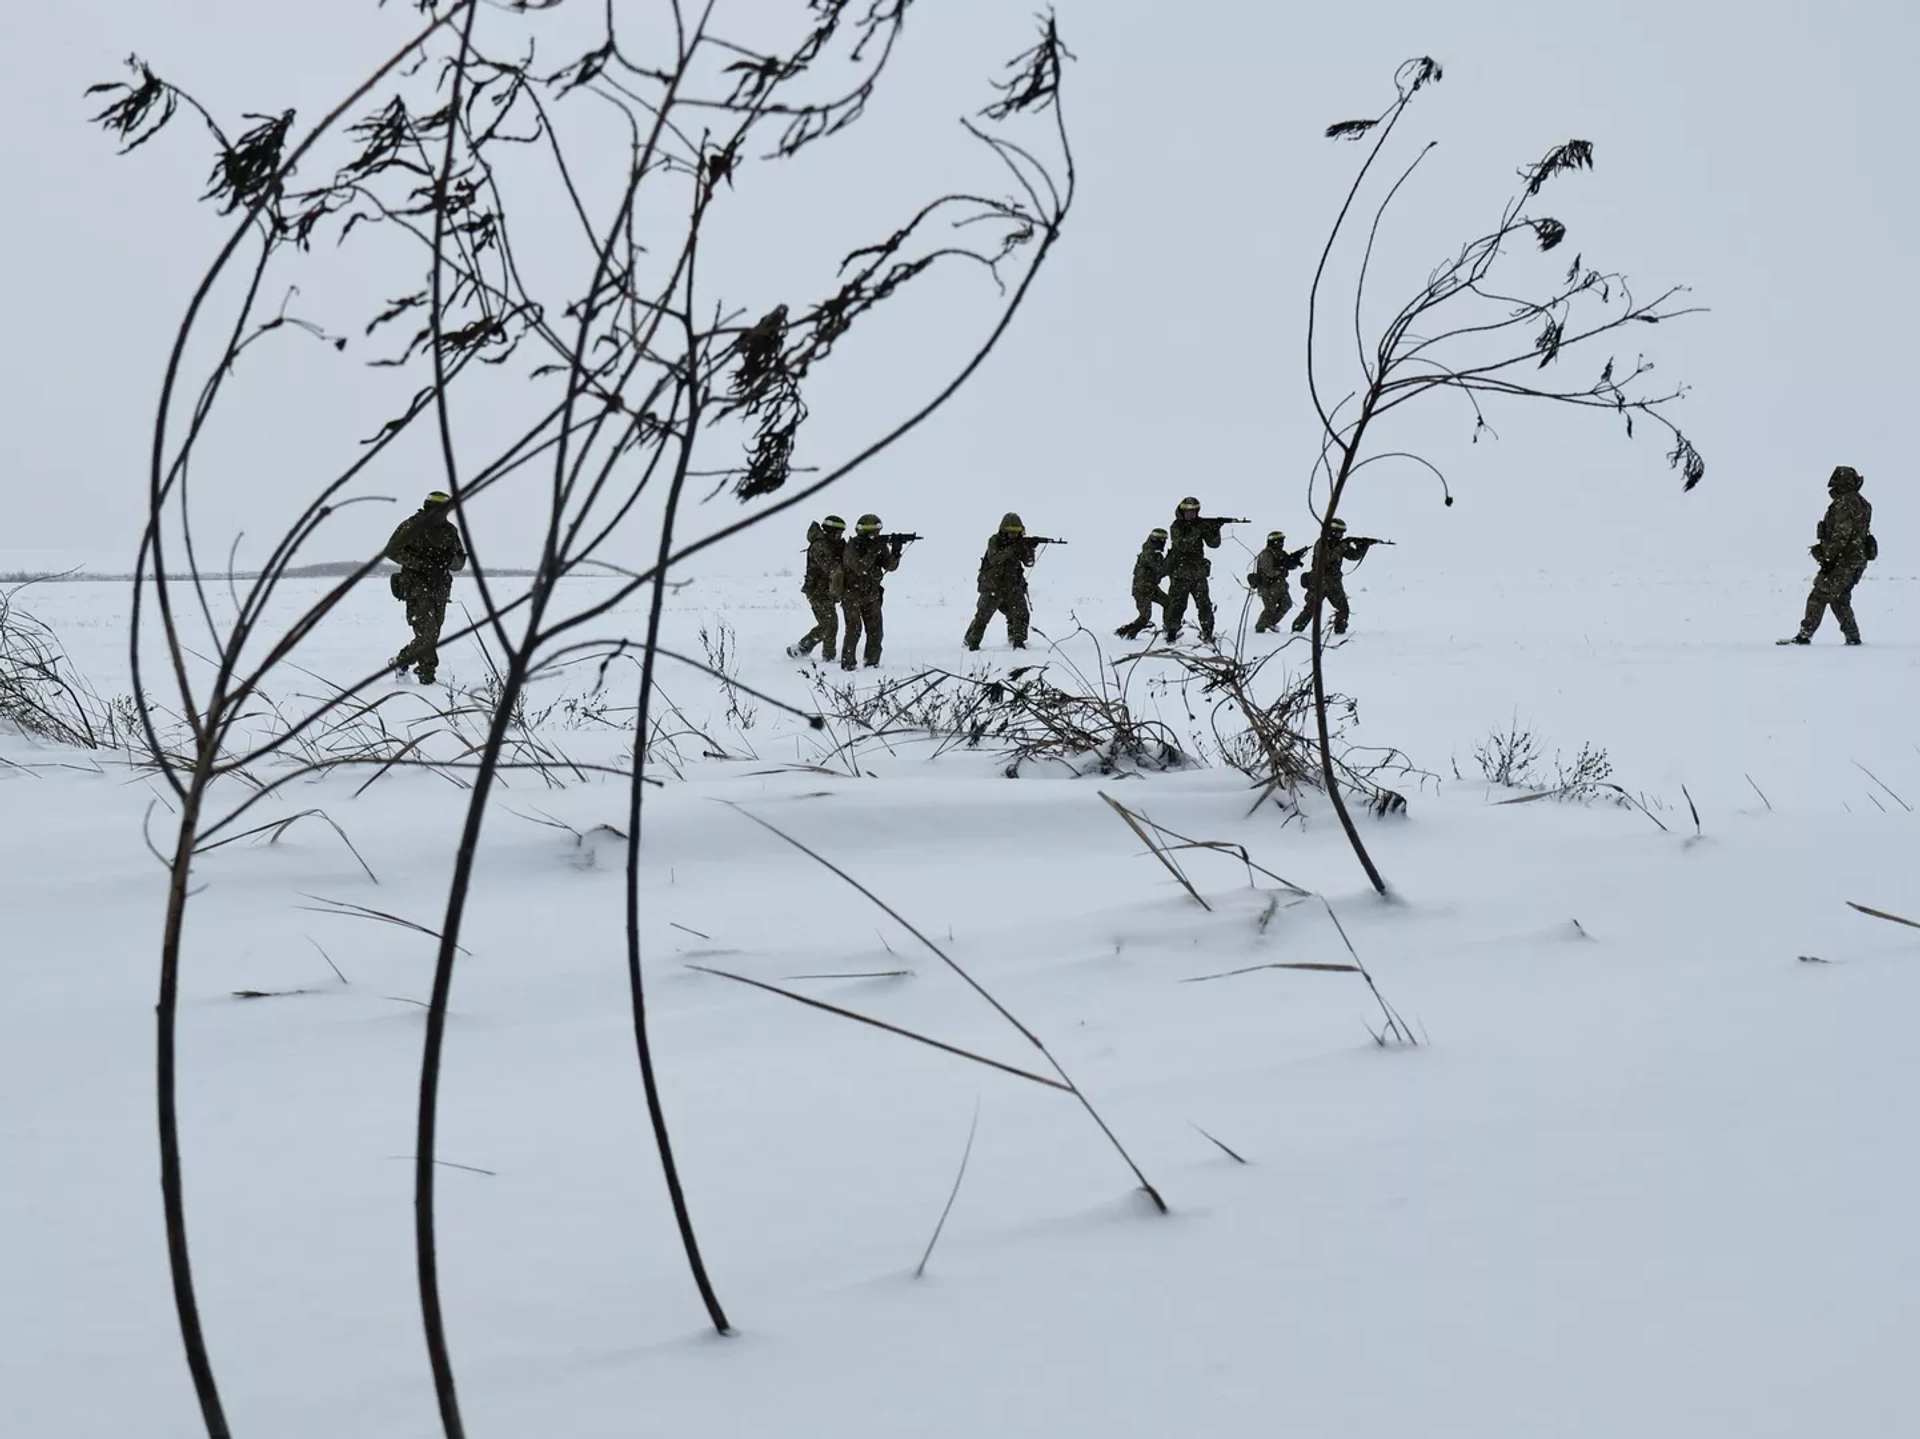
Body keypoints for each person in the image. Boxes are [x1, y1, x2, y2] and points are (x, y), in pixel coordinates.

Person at [1783, 465, 1875, 646]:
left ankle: (1804, 635)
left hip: (1843, 561)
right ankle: (1853, 637)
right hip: (1856, 560)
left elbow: (1842, 534)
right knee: (1840, 599)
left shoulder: (1844, 503)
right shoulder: (1863, 503)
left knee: (1818, 595)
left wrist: (1828, 558)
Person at [385, 490, 467, 683]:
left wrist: (448, 560)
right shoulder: (412, 526)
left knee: (433, 634)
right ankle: (426, 675)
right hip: (417, 587)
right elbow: (392, 550)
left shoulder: (450, 531)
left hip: (440, 588)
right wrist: (422, 564)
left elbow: (459, 562)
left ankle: (405, 663)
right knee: (428, 635)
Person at [1288, 519, 1384, 637]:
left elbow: (1353, 556)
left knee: (1343, 609)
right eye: (1339, 533)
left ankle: (1339, 633)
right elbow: (1327, 558)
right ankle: (1296, 631)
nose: (1341, 535)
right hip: (1319, 581)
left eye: (1342, 533)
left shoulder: (1339, 544)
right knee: (1311, 609)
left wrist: (1362, 546)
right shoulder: (1321, 543)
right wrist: (1343, 545)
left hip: (1334, 583)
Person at [838, 513, 904, 670]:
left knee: (876, 631)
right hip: (851, 596)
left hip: (871, 596)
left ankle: (872, 663)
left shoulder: (879, 546)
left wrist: (895, 552)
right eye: (875, 532)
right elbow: (859, 567)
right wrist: (874, 551)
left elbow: (890, 567)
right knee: (854, 630)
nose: (878, 534)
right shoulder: (852, 546)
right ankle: (848, 664)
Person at [964, 512, 1036, 651]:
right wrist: (1013, 548)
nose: (1013, 535)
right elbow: (995, 559)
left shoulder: (1020, 543)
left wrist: (1029, 549)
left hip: (1012, 584)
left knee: (1020, 613)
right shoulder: (995, 541)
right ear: (1003, 530)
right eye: (1010, 531)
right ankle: (972, 642)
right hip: (993, 585)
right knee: (983, 616)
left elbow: (1028, 563)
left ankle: (1017, 641)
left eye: (1016, 532)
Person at [1164, 497, 1228, 644]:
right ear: (1182, 511)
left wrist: (1215, 529)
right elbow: (1182, 545)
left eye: (1193, 511)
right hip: (1180, 574)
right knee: (1177, 605)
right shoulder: (1176, 526)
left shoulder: (1199, 525)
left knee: (1204, 605)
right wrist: (1199, 529)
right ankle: (1171, 633)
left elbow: (1214, 544)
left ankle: (1207, 632)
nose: (1190, 514)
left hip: (1198, 574)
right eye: (1188, 511)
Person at [787, 515, 846, 659]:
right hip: (818, 592)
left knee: (829, 624)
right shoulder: (820, 547)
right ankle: (812, 650)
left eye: (841, 533)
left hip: (826, 591)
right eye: (838, 533)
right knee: (829, 624)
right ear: (830, 531)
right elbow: (831, 567)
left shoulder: (831, 545)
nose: (840, 536)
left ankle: (811, 650)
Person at [1115, 528, 1170, 640]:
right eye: (1161, 540)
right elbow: (1161, 569)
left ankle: (1168, 629)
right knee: (1145, 617)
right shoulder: (1149, 553)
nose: (1163, 542)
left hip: (1150, 587)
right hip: (1142, 589)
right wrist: (1171, 561)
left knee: (1168, 603)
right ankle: (1127, 634)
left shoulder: (1153, 552)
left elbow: (1160, 570)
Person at [1248, 530, 1307, 633]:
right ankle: (1260, 628)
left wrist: (1295, 559)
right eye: (1279, 541)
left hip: (1280, 586)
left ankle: (1270, 623)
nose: (1281, 544)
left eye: (1282, 541)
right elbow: (1269, 572)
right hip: (1268, 587)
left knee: (1286, 604)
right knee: (1270, 609)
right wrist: (1282, 568)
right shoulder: (1266, 554)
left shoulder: (1281, 553)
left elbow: (1289, 565)